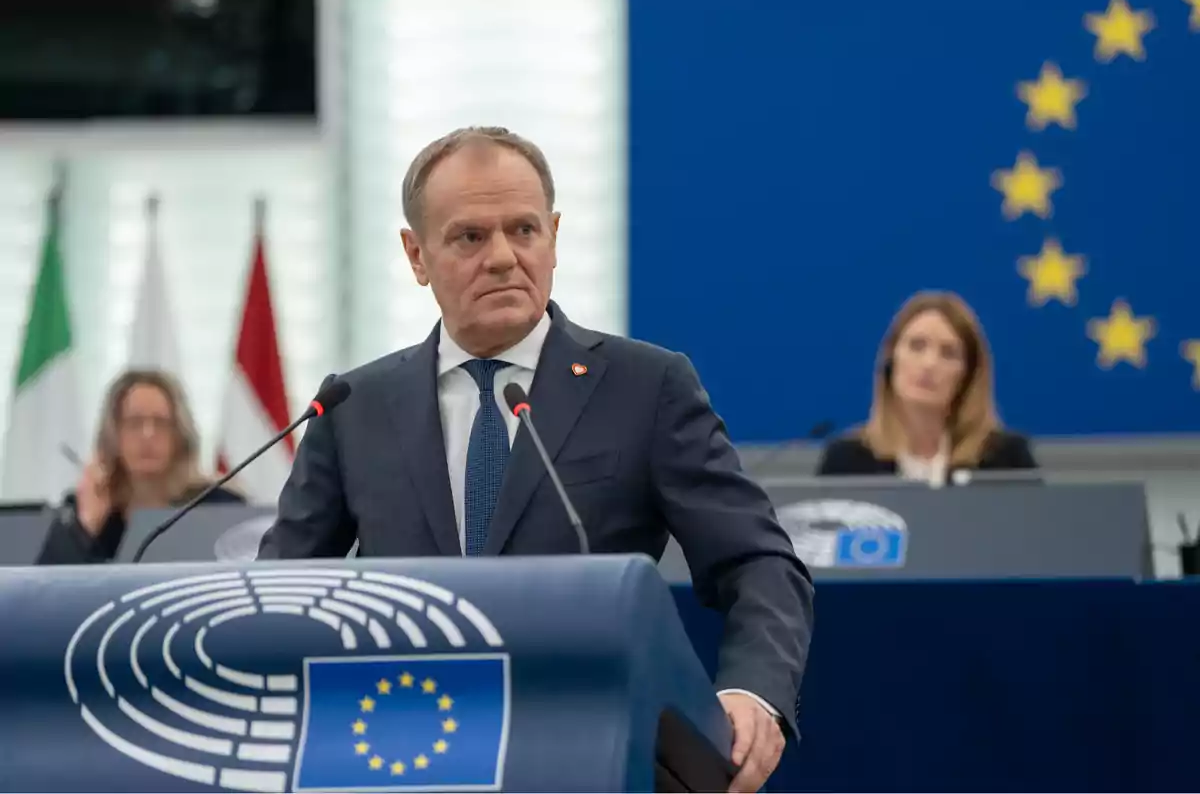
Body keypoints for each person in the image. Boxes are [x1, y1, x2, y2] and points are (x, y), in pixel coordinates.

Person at [258, 126, 813, 792]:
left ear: (553, 235)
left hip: (595, 756)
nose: (502, 257)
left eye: (523, 230)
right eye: (469, 237)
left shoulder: (645, 387)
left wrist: (754, 692)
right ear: (415, 254)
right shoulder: (353, 406)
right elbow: (280, 598)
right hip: (405, 756)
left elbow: (759, 564)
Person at [816, 291, 1038, 483]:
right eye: (917, 346)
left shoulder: (1005, 459)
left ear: (968, 374)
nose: (929, 364)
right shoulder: (847, 460)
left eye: (948, 353)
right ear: (891, 359)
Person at [36, 369, 244, 564]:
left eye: (160, 422)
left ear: (180, 434)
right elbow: (45, 591)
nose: (147, 435)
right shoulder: (84, 506)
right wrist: (86, 525)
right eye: (134, 422)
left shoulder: (218, 505)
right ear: (113, 434)